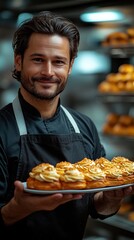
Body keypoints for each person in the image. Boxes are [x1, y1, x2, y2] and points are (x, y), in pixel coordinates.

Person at [0, 11, 134, 240]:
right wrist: (18, 207)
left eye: (59, 62)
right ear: (19, 61)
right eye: (38, 59)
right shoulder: (2, 129)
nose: (48, 72)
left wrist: (111, 199)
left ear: (70, 66)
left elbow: (97, 207)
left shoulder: (84, 126)